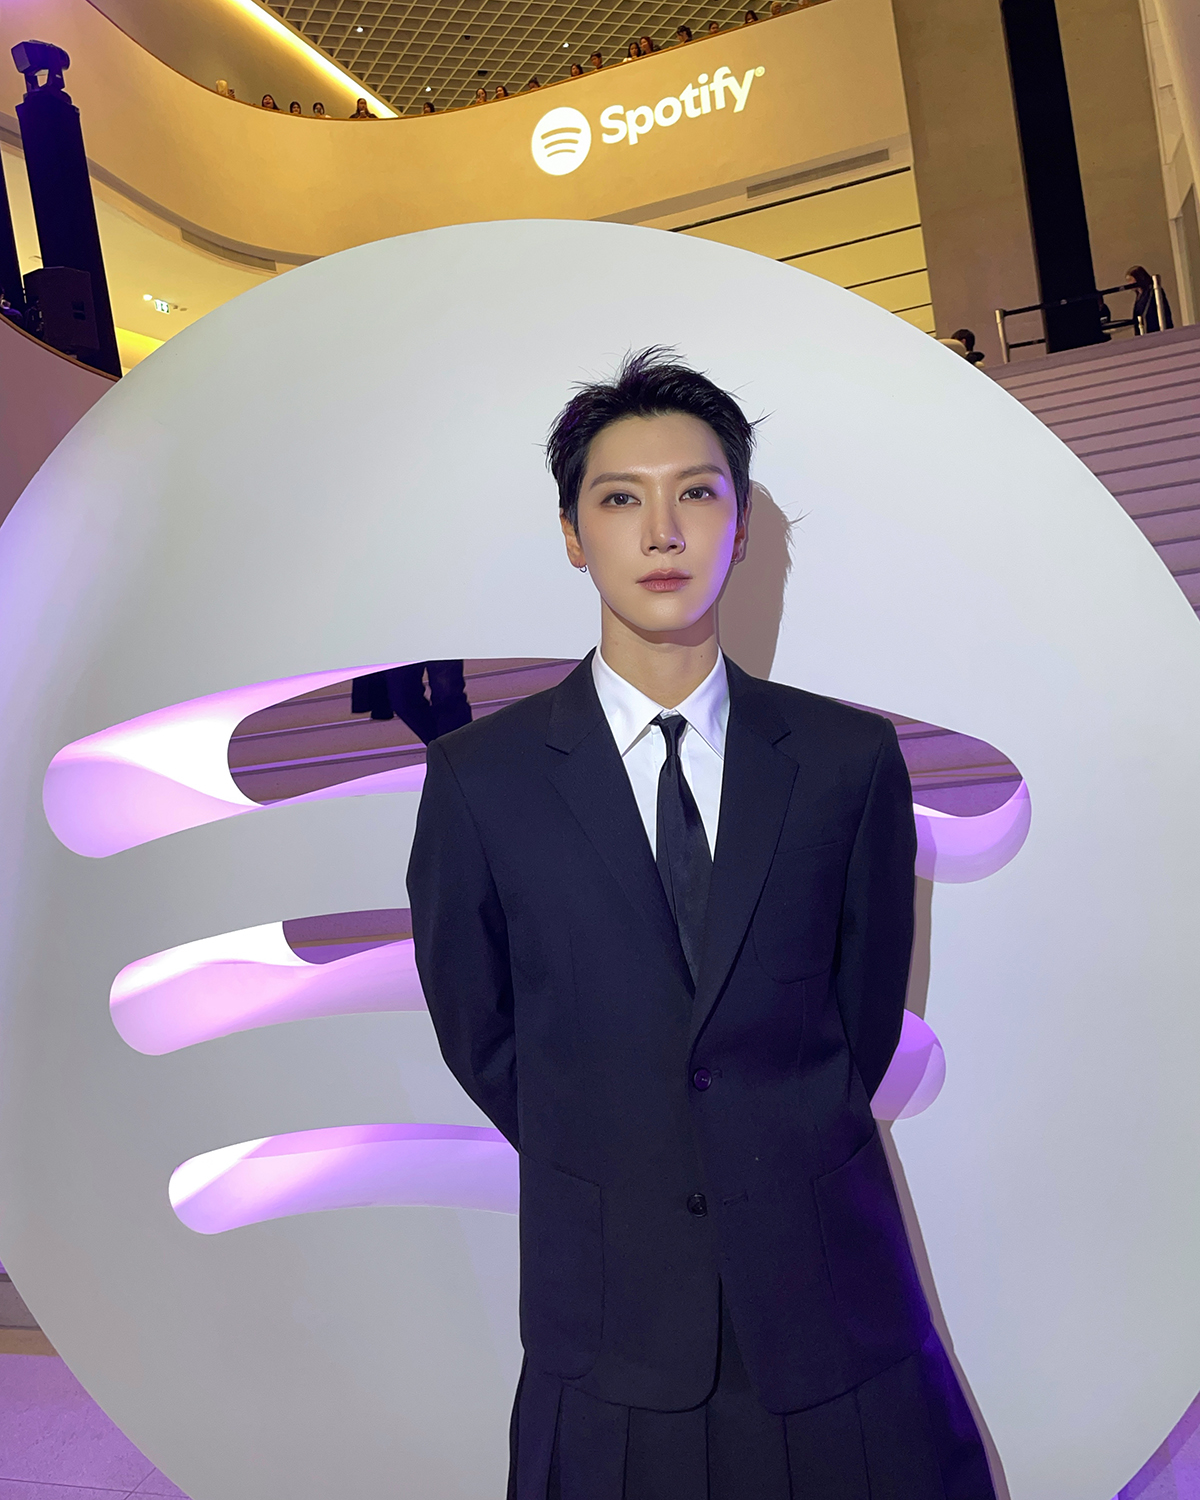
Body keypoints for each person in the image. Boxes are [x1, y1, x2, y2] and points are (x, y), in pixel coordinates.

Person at [408, 348, 998, 1500]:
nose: (663, 531)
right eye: (620, 499)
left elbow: (862, 1015)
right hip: (610, 1312)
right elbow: (481, 1031)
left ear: (740, 524)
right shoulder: (483, 780)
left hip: (828, 1294)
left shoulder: (846, 759)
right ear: (574, 536)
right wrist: (621, 1142)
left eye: (697, 492)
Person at [350, 662, 472, 744]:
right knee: (402, 700)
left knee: (448, 697)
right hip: (402, 638)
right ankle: (450, 752)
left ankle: (453, 754)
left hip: (437, 634)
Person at [1126, 265, 1174, 333]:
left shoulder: (1153, 291)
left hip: (1155, 328)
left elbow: (1163, 311)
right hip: (1144, 329)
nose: (1129, 283)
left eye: (1131, 280)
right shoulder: (1139, 296)